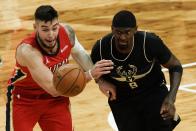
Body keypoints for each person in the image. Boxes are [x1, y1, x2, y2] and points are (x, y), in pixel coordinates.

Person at [6, 5, 113, 131]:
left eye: (54, 28)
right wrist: (90, 74)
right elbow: (53, 88)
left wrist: (100, 81)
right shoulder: (28, 51)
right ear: (35, 28)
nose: (51, 34)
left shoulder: (66, 32)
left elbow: (79, 54)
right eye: (45, 29)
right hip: (24, 100)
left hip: (56, 100)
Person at [90, 10, 183, 131]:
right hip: (122, 98)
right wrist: (100, 81)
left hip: (152, 92)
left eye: (127, 32)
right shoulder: (101, 48)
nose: (122, 37)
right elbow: (92, 70)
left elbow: (175, 66)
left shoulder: (150, 43)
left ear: (135, 30)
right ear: (112, 29)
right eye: (118, 32)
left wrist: (171, 98)